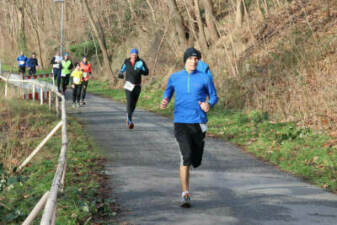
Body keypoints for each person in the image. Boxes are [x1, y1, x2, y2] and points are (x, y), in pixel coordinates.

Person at [160, 47, 218, 208]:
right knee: (185, 156)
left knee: (196, 159)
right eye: (191, 58)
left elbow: (214, 95)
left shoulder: (205, 78)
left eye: (197, 58)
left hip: (198, 122)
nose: (194, 61)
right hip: (180, 121)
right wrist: (165, 100)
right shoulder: (174, 77)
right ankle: (185, 193)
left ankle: (195, 155)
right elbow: (168, 91)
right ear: (185, 60)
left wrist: (209, 104)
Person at [118, 48, 149, 129]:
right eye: (133, 55)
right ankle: (129, 120)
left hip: (137, 86)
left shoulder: (141, 62)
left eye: (135, 55)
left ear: (137, 55)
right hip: (128, 85)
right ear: (130, 55)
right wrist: (120, 73)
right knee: (129, 102)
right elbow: (121, 70)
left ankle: (129, 116)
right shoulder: (126, 61)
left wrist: (140, 70)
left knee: (133, 104)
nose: (134, 56)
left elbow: (147, 72)